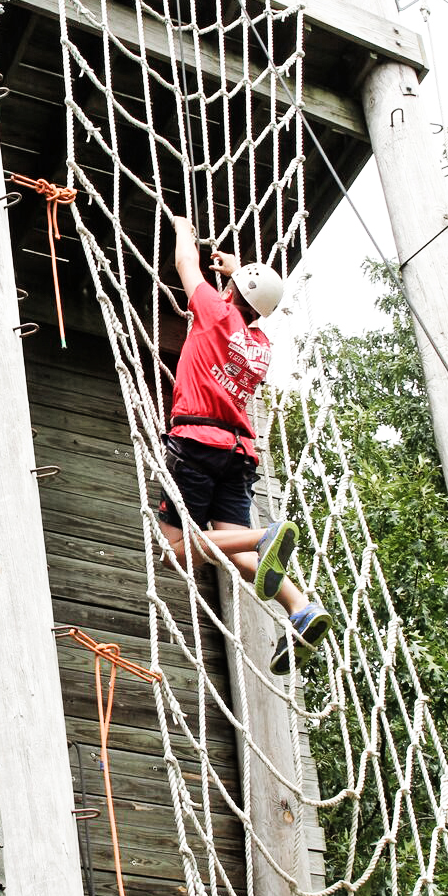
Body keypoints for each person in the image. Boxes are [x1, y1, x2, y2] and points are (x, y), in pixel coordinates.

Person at [157, 216, 332, 674]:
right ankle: (300, 608)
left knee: (177, 549)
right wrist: (240, 274)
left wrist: (183, 229)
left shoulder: (215, 310)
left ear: (232, 292)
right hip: (236, 455)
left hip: (196, 442)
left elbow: (184, 263)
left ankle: (266, 534)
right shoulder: (260, 344)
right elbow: (249, 306)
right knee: (235, 552)